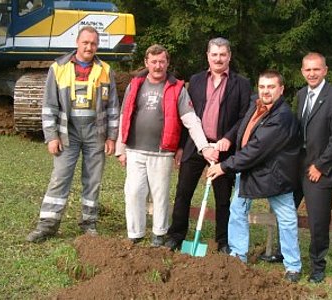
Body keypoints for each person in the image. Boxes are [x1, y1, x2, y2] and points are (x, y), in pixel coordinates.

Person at [115, 44, 218, 247]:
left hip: (162, 152)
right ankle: (135, 234)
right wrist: (121, 148)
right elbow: (124, 116)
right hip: (135, 149)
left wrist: (204, 147)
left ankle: (158, 234)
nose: (158, 66)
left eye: (162, 61)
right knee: (133, 191)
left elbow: (191, 120)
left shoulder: (177, 88)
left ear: (167, 63)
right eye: (153, 62)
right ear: (146, 63)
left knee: (160, 194)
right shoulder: (135, 84)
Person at [26, 26, 120, 243]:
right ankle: (47, 225)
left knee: (93, 180)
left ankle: (89, 223)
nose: (89, 47)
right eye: (85, 42)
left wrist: (111, 136)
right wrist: (51, 136)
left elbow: (113, 107)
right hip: (67, 133)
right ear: (77, 42)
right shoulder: (58, 68)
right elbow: (49, 105)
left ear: (98, 46)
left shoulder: (105, 70)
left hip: (95, 133)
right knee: (60, 178)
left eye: (93, 43)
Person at [207, 70, 302, 283]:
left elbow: (257, 149)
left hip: (275, 174)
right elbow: (245, 135)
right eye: (262, 87)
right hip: (249, 170)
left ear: (281, 89)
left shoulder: (282, 117)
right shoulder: (256, 104)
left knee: (286, 218)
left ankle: (293, 266)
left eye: (271, 87)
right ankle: (238, 256)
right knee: (237, 210)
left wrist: (224, 166)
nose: (266, 91)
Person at [164, 37, 251, 253]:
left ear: (229, 56)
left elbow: (244, 117)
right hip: (196, 146)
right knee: (183, 192)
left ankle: (222, 241)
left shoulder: (241, 84)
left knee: (222, 199)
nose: (218, 59)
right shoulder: (195, 81)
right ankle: (176, 236)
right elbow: (188, 115)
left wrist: (228, 138)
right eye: (214, 54)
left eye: (223, 54)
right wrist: (183, 146)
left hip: (223, 150)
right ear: (208, 56)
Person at [294, 52, 332, 283]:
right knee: (285, 210)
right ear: (302, 71)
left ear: (325, 70)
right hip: (298, 165)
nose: (312, 74)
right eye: (308, 70)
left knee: (318, 220)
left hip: (320, 169)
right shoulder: (300, 95)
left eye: (316, 69)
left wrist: (320, 166)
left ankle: (318, 265)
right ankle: (284, 252)